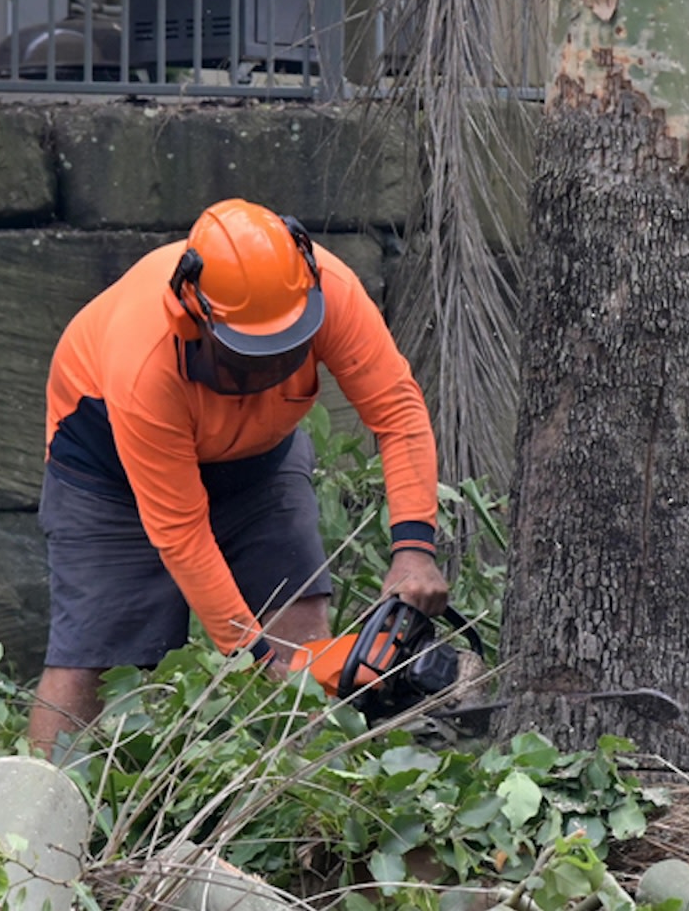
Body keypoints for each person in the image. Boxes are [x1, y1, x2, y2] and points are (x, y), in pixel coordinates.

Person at [27, 198, 448, 755]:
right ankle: (37, 811)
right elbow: (181, 531)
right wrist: (253, 657)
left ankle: (303, 807)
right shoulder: (145, 363)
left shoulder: (329, 290)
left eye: (288, 348)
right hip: (111, 475)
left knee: (299, 625)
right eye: (253, 355)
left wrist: (414, 548)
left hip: (260, 460)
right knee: (93, 658)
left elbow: (395, 408)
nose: (274, 367)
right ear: (193, 318)